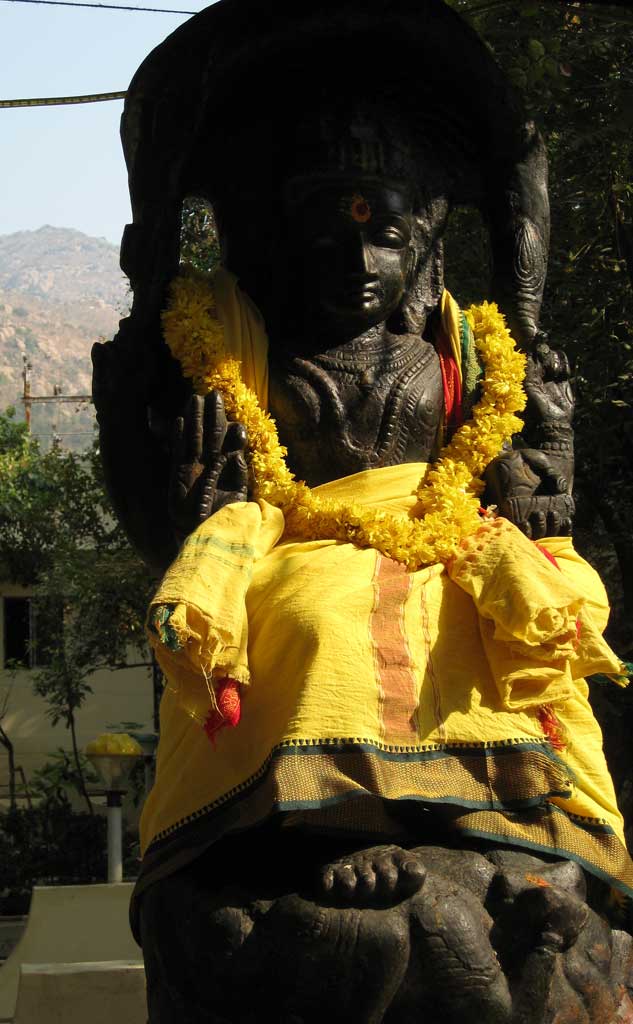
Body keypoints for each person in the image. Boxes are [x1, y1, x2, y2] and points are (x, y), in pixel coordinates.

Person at [92, 2, 633, 1020]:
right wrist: (195, 490)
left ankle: (512, 836)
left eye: (384, 233)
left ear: (427, 233)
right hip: (296, 541)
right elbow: (193, 462)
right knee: (308, 620)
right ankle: (326, 826)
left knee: (526, 637)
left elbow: (523, 473)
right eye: (329, 231)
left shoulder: (469, 345)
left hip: (452, 541)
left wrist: (542, 464)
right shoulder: (246, 337)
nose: (359, 262)